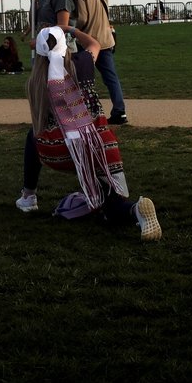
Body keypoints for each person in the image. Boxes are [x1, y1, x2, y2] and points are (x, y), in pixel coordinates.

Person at [15, 25, 161, 242]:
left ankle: (28, 195)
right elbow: (95, 44)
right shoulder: (82, 64)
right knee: (112, 206)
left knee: (33, 134)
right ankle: (135, 209)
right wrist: (70, 28)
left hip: (57, 151)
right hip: (100, 147)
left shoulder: (35, 80)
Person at [73, 0, 128, 125]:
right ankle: (120, 111)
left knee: (82, 78)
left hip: (89, 41)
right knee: (111, 78)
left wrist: (72, 29)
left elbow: (83, 18)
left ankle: (83, 112)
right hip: (106, 38)